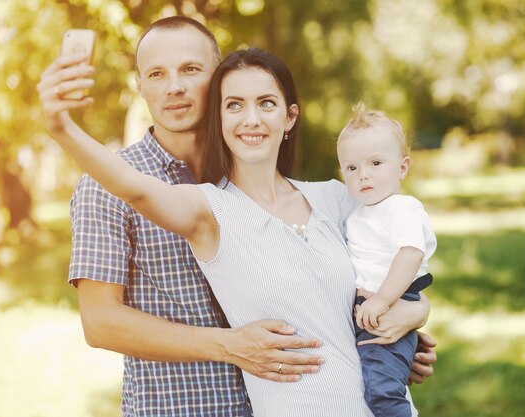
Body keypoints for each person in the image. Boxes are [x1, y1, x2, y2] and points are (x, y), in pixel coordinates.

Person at [36, 17, 436, 417]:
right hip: (184, 407)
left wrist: (404, 324)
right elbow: (102, 318)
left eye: (190, 69)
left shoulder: (321, 195)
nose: (175, 86)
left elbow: (376, 266)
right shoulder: (183, 201)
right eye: (157, 73)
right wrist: (61, 127)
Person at [337, 103, 437, 417]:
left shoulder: (400, 208)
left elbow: (410, 254)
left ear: (403, 168)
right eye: (352, 168)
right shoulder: (359, 211)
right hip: (368, 309)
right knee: (368, 379)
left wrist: (381, 300)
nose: (363, 174)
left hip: (391, 303)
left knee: (382, 388)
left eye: (376, 163)